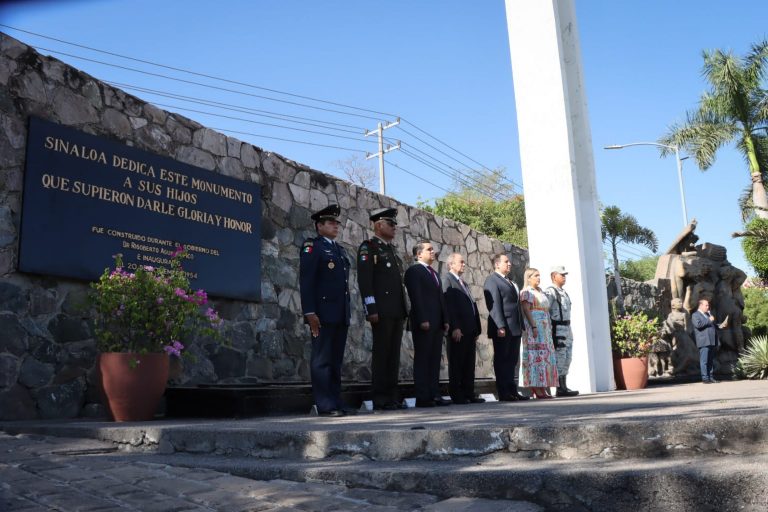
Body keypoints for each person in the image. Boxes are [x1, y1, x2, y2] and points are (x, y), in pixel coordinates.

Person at [299, 204, 355, 417]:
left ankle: (336, 401)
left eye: (336, 222)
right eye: (331, 222)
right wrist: (310, 313)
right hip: (321, 314)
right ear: (319, 226)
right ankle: (325, 404)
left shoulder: (339, 250)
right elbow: (307, 281)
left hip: (340, 313)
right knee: (322, 359)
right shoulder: (312, 247)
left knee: (335, 361)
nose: (335, 226)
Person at [357, 207, 408, 411]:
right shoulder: (368, 247)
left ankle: (392, 396)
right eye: (390, 224)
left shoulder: (391, 251)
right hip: (381, 310)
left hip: (396, 310)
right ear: (378, 225)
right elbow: (365, 280)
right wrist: (371, 308)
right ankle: (380, 398)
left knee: (393, 356)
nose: (394, 227)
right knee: (382, 354)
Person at [403, 240, 450, 407]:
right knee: (423, 359)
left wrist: (445, 320)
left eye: (433, 249)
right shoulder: (414, 271)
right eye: (429, 249)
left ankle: (434, 393)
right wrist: (422, 319)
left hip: (437, 322)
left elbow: (440, 299)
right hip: (424, 321)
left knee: (434, 359)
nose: (433, 252)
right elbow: (416, 297)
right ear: (418, 254)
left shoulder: (434, 273)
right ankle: (423, 397)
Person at [483, 254, 529, 401]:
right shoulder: (492, 280)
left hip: (514, 327)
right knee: (502, 359)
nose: (509, 264)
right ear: (497, 264)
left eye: (509, 261)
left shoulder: (510, 281)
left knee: (512, 360)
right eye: (506, 262)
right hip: (503, 327)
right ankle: (503, 392)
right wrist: (500, 325)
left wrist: (521, 325)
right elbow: (494, 305)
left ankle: (512, 390)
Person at [442, 253, 484, 404]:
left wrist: (477, 328)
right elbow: (448, 305)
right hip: (459, 330)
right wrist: (455, 327)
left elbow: (471, 305)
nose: (464, 264)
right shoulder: (448, 280)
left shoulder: (463, 283)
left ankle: (469, 392)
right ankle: (457, 394)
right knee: (457, 362)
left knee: (468, 363)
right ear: (451, 264)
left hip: (469, 330)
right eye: (461, 262)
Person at [519, 267, 559, 399]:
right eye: (536, 275)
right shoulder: (526, 292)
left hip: (545, 328)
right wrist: (534, 326)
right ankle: (536, 386)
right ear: (529, 278)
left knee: (544, 357)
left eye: (539, 275)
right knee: (535, 356)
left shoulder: (541, 291)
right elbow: (526, 310)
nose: (538, 278)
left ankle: (543, 386)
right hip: (534, 327)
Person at [545, 265, 579, 397]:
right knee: (560, 356)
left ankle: (564, 385)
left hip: (567, 328)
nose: (564, 277)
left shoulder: (564, 292)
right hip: (558, 328)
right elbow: (545, 309)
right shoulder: (551, 292)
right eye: (561, 275)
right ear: (554, 276)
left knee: (567, 357)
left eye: (565, 275)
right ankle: (559, 387)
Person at [691, 298, 720, 384]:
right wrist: (709, 320)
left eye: (708, 305)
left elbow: (711, 325)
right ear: (701, 305)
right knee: (704, 360)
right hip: (704, 341)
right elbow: (698, 325)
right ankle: (705, 378)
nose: (708, 307)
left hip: (711, 340)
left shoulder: (707, 315)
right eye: (706, 305)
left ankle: (710, 377)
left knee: (710, 360)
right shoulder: (695, 315)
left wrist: (720, 325)